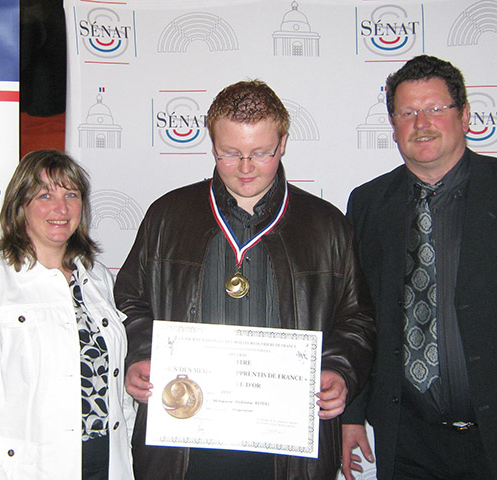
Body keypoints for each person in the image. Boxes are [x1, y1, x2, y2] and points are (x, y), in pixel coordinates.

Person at [114, 80, 376, 479]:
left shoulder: (326, 227)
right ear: (212, 144)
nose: (246, 167)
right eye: (230, 154)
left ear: (283, 142)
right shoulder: (167, 216)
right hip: (184, 442)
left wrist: (339, 371)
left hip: (286, 449)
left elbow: (356, 319)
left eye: (261, 153)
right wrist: (142, 356)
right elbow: (130, 301)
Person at [341, 55, 497, 480]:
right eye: (407, 112)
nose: (421, 123)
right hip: (410, 442)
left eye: (435, 109)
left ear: (465, 115)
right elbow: (357, 315)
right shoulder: (369, 203)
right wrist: (350, 415)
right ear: (392, 125)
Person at [0, 150, 135, 479]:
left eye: (71, 195)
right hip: (31, 468)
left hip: (107, 462)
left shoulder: (97, 278)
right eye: (45, 195)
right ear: (20, 205)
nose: (61, 208)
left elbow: (113, 381)